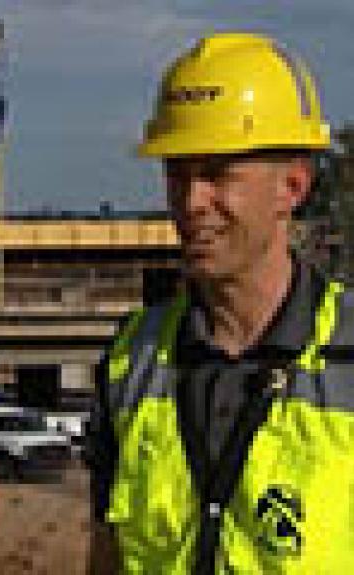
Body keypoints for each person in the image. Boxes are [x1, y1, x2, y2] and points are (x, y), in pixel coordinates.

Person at [89, 32, 354, 573]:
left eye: (216, 174)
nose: (191, 203)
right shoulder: (131, 362)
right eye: (177, 175)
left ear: (293, 186)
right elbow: (108, 555)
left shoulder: (348, 360)